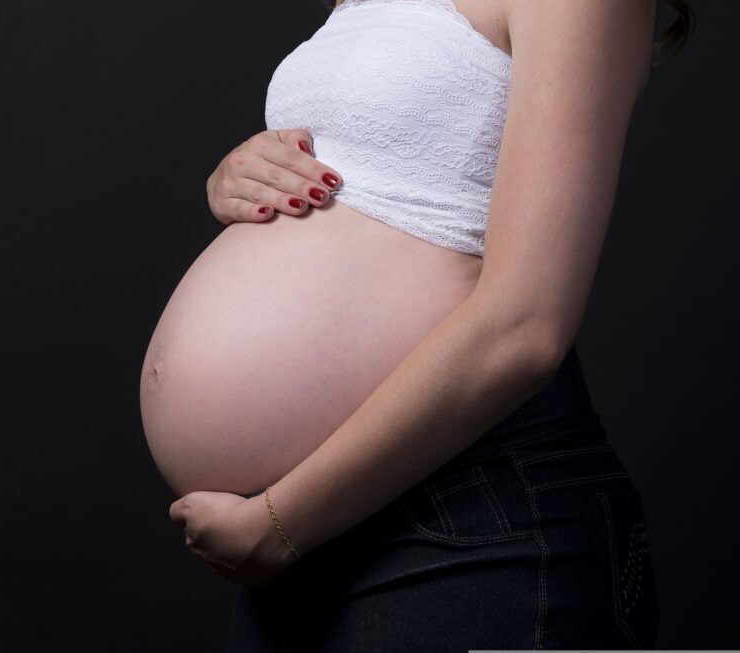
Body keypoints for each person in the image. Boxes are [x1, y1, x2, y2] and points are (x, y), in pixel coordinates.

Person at [168, 0, 694, 649]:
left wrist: (279, 526)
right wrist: (244, 175)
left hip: (469, 524)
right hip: (309, 532)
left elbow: (525, 327)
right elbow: (387, 166)